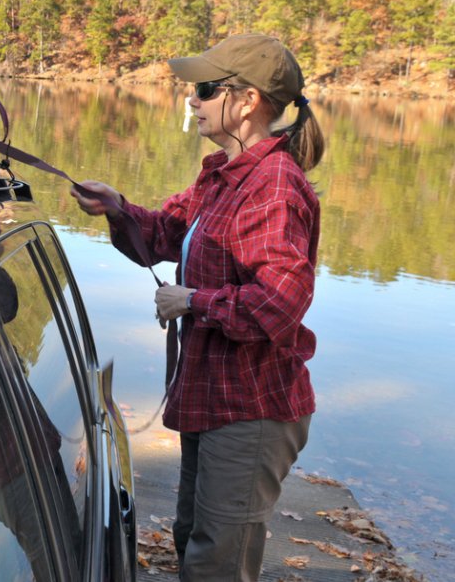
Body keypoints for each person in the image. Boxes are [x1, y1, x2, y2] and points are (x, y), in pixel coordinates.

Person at [71, 33, 324, 581]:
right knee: (194, 539)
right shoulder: (223, 174)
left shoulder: (274, 186)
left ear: (248, 100)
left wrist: (193, 302)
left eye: (206, 89)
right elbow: (166, 234)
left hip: (251, 409)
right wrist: (117, 208)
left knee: (218, 563)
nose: (192, 99)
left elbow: (279, 305)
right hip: (213, 396)